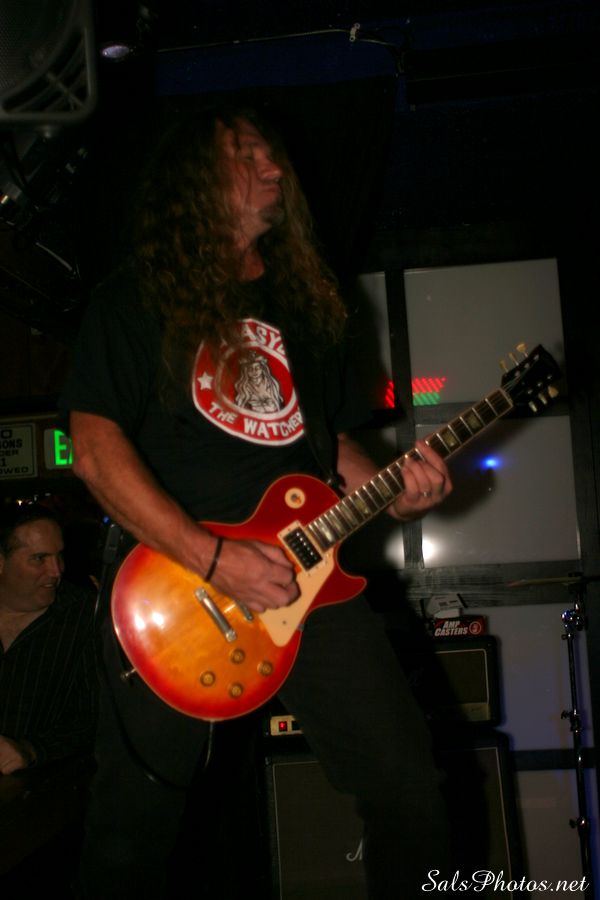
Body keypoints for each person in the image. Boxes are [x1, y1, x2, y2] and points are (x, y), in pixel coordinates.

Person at [59, 105, 454, 899]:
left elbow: (327, 447)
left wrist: (397, 493)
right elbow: (95, 450)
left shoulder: (308, 304)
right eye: (247, 156)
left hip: (311, 581)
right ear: (196, 182)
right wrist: (213, 558)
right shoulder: (133, 299)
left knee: (411, 789)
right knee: (135, 825)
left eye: (273, 157)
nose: (274, 169)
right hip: (178, 586)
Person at [0, 502, 98, 774]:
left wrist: (30, 751)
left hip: (45, 785)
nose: (56, 570)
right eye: (39, 559)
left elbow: (94, 718)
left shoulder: (85, 616)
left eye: (59, 556)